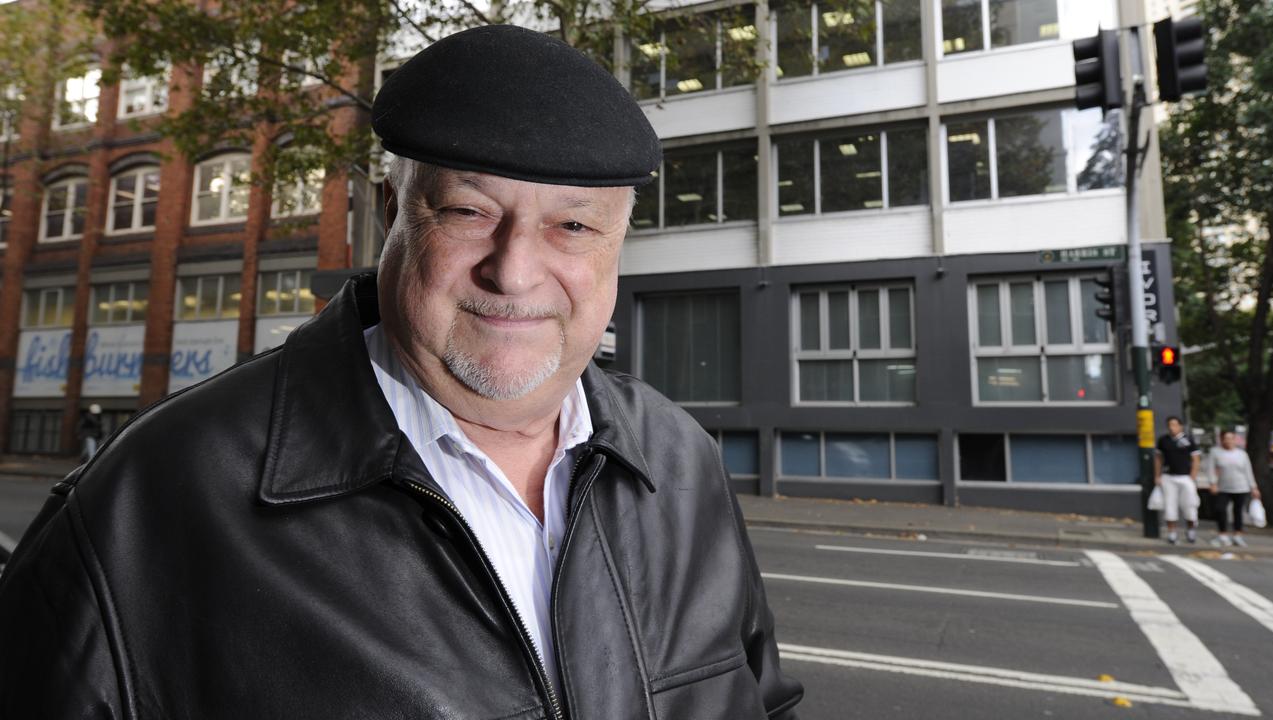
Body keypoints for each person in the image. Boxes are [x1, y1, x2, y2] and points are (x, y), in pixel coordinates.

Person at [0, 26, 803, 719]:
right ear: (392, 213)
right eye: (468, 212)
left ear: (617, 246)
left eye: (574, 225)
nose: (515, 271)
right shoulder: (152, 498)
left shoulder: (680, 460)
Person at [1207, 430, 1260, 547]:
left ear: (1235, 439)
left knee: (1238, 512)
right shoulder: (1215, 452)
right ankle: (1222, 535)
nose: (1228, 441)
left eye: (1231, 438)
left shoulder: (1242, 454)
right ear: (1221, 439)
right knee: (1220, 509)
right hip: (1222, 487)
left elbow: (1248, 471)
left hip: (1241, 487)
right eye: (1226, 438)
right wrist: (1212, 483)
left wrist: (1253, 487)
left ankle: (1237, 535)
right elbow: (1211, 469)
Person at [1155, 415, 1202, 544]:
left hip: (1185, 477)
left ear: (1180, 426)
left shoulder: (1188, 440)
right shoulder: (1163, 440)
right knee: (1170, 505)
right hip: (1168, 477)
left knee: (1190, 504)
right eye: (1170, 425)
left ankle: (1191, 530)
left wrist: (1192, 477)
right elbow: (1158, 459)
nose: (1172, 428)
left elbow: (1196, 459)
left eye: (1175, 425)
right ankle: (1172, 533)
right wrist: (1157, 476)